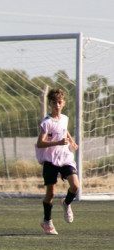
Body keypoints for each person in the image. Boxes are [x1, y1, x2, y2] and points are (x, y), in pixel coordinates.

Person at [35, 88, 79, 235]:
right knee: (50, 194)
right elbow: (40, 143)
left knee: (75, 186)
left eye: (60, 102)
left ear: (64, 103)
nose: (57, 105)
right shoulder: (46, 123)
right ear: (50, 104)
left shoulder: (65, 118)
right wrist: (57, 142)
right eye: (54, 103)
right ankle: (46, 221)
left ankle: (66, 203)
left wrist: (71, 142)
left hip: (65, 157)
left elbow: (64, 130)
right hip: (50, 160)